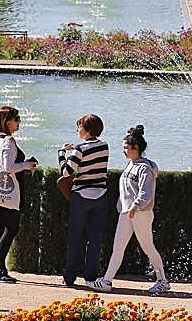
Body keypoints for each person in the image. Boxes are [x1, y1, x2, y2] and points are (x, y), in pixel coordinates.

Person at [91, 125, 170, 296]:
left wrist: (135, 206)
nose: (124, 151)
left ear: (136, 148)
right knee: (118, 247)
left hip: (140, 213)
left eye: (126, 147)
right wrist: (124, 208)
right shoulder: (131, 165)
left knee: (147, 246)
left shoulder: (144, 168)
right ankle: (106, 281)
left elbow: (146, 192)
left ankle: (162, 280)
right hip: (127, 213)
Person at [0, 106, 38, 283]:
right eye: (17, 119)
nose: (19, 122)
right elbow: (9, 168)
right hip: (8, 191)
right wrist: (27, 164)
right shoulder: (8, 141)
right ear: (7, 122)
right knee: (12, 228)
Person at [61, 113, 110, 288]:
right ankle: (90, 276)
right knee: (95, 238)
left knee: (75, 237)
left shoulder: (79, 149)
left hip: (81, 196)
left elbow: (66, 172)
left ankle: (70, 276)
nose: (77, 129)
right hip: (101, 195)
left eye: (79, 126)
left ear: (86, 129)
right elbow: (93, 157)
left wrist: (62, 153)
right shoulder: (105, 146)